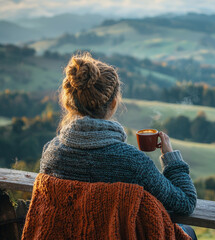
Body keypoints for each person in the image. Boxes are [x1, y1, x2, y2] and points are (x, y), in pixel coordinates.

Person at [39, 52, 197, 239]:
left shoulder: (51, 152)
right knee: (188, 233)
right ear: (114, 103)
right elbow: (185, 203)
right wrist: (170, 157)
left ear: (70, 103)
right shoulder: (132, 162)